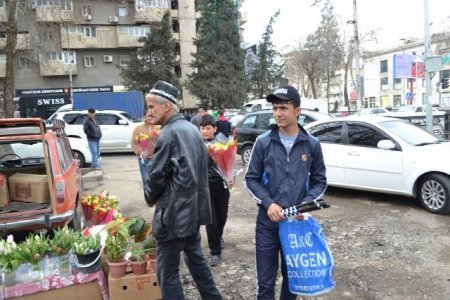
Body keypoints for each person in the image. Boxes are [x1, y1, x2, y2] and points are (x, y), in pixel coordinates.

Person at [243, 85, 327, 300]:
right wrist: (268, 203)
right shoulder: (263, 142)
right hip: (267, 222)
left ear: (297, 111)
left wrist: (305, 205)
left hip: (296, 225)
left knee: (292, 281)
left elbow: (320, 181)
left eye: (283, 108)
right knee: (265, 282)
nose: (277, 113)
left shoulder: (311, 144)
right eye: (274, 108)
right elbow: (250, 179)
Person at [145, 80, 222, 299]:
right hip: (193, 213)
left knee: (167, 275)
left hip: (173, 217)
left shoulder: (169, 133)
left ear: (166, 106)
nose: (149, 111)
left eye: (152, 106)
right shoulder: (191, 129)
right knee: (197, 264)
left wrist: (149, 197)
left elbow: (156, 177)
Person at [199, 114, 231, 266]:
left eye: (208, 128)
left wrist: (230, 176)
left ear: (215, 129)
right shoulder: (197, 144)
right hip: (204, 186)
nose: (205, 131)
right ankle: (215, 251)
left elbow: (229, 163)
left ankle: (219, 235)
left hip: (221, 184)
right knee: (211, 219)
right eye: (202, 128)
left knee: (222, 215)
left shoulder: (222, 141)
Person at [130, 109, 160, 195]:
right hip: (145, 160)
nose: (151, 118)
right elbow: (134, 143)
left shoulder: (159, 127)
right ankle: (149, 198)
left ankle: (157, 197)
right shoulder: (138, 129)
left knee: (158, 180)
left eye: (153, 116)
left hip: (157, 159)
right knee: (146, 180)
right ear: (144, 117)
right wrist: (140, 152)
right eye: (149, 116)